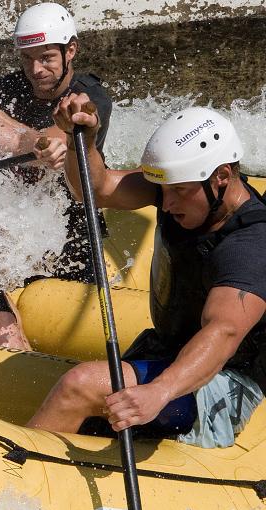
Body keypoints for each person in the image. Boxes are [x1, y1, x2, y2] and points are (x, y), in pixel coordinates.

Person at [28, 95, 266, 448]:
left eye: (179, 193)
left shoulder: (250, 243)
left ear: (222, 177)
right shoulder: (183, 188)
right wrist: (86, 142)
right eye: (164, 191)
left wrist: (159, 391)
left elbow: (224, 333)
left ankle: (18, 480)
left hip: (224, 382)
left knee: (77, 385)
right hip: (169, 352)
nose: (166, 204)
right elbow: (95, 190)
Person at [0, 2, 113, 349]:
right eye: (27, 59)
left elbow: (54, 143)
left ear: (71, 51)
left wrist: (1, 125)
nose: (36, 69)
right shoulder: (4, 90)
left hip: (71, 231)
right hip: (12, 226)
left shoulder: (89, 96)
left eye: (47, 58)